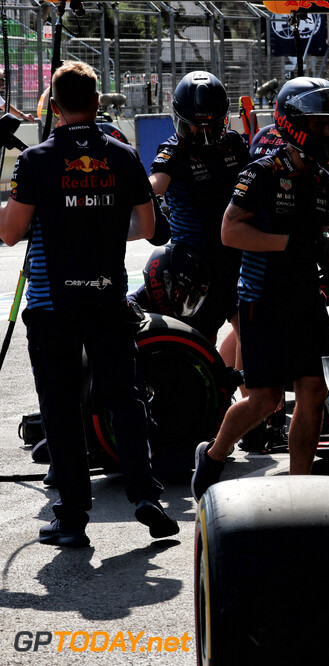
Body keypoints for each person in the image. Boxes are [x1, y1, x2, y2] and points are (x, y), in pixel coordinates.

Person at [0, 61, 177, 547]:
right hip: (106, 296)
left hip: (53, 304)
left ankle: (73, 518)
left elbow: (10, 233)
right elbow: (150, 228)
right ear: (99, 103)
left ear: (53, 107)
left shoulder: (35, 161)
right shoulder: (122, 156)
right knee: (124, 398)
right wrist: (101, 222)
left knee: (60, 408)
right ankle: (145, 495)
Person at [192, 77, 329, 501]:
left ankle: (300, 488)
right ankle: (213, 456)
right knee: (264, 401)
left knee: (314, 392)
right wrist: (289, 243)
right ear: (296, 124)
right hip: (263, 300)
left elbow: (322, 233)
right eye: (324, 125)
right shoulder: (261, 173)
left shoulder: (325, 181)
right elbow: (230, 232)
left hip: (305, 299)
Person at [146, 71, 249, 368]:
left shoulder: (234, 144)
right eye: (193, 128)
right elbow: (154, 185)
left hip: (237, 259)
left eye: (210, 128)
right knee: (202, 345)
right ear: (179, 120)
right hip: (195, 270)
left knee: (252, 335)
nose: (201, 136)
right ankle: (211, 406)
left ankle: (253, 407)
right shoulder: (172, 151)